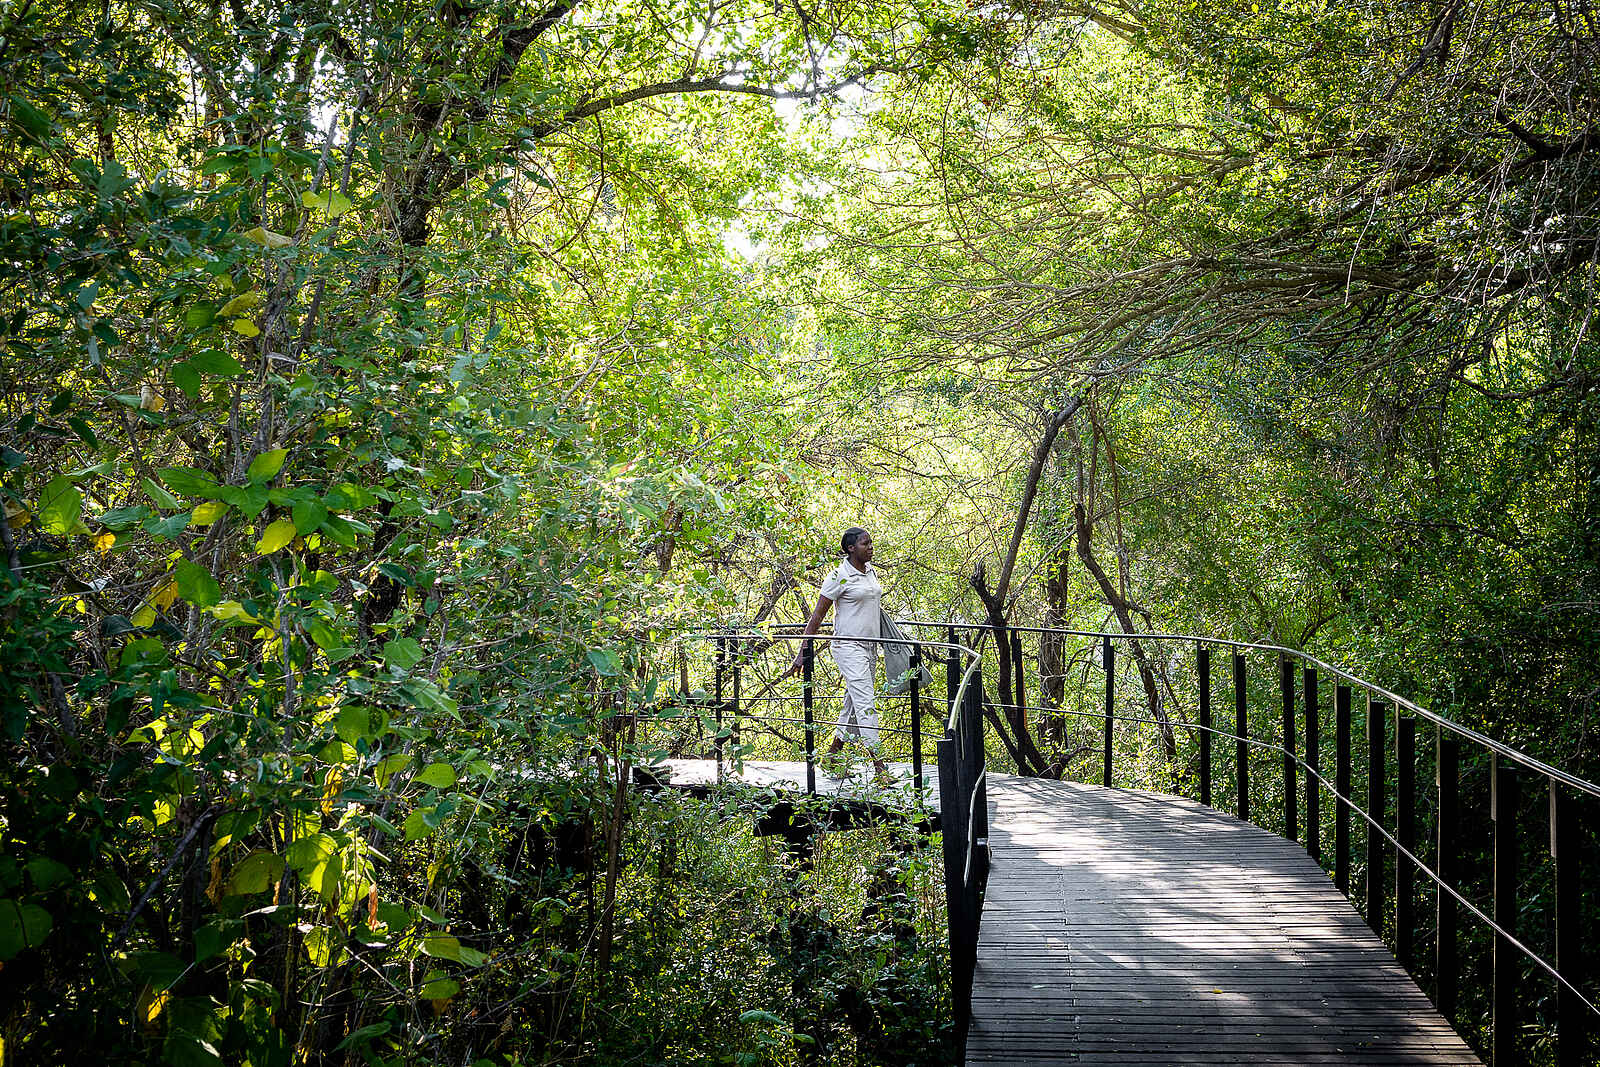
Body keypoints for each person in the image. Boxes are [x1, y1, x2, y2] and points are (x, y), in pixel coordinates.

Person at [787, 527, 888, 779]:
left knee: (853, 705)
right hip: (848, 647)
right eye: (866, 544)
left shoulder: (870, 572)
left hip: (869, 647)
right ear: (851, 548)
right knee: (866, 705)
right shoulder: (838, 576)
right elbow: (817, 616)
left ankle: (833, 757)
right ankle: (880, 768)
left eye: (871, 542)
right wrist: (803, 651)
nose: (871, 547)